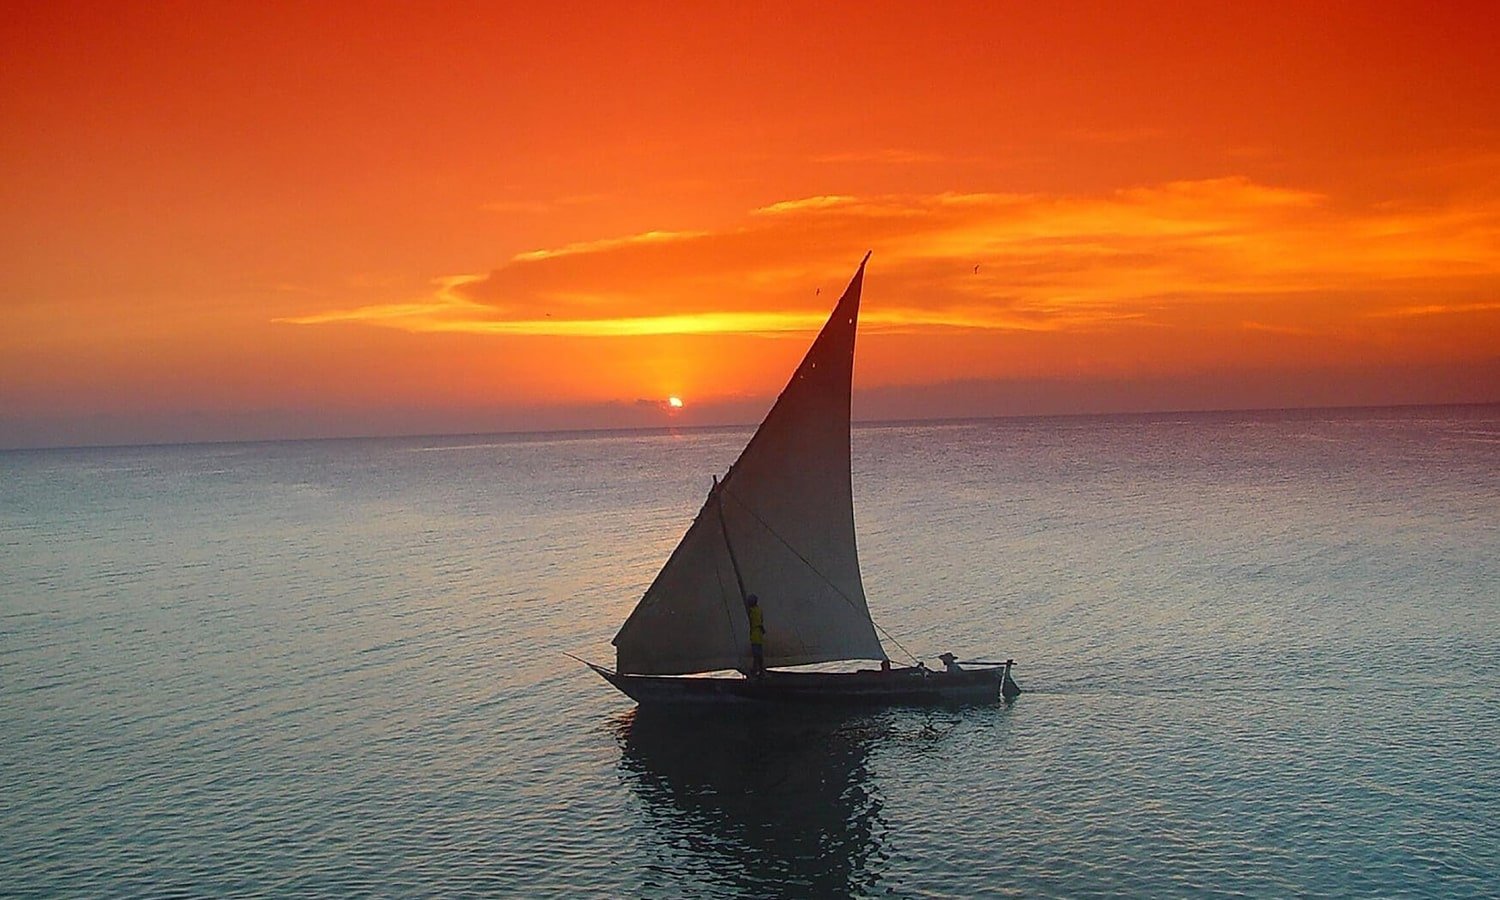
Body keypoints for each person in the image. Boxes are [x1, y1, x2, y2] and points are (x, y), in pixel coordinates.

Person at [745, 594, 766, 676]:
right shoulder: (759, 610)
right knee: (758, 653)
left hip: (755, 634)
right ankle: (760, 670)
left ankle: (757, 670)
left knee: (756, 653)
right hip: (759, 633)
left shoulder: (752, 611)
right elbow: (761, 620)